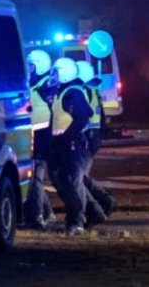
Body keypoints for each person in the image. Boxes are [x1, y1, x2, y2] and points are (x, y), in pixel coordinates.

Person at [50, 57, 92, 236]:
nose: (53, 75)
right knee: (61, 180)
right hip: (62, 145)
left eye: (56, 72)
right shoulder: (63, 91)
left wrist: (68, 135)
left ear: (65, 74)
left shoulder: (72, 93)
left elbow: (84, 115)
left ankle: (77, 222)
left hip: (72, 146)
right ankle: (78, 218)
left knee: (72, 184)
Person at [76, 61, 119, 222]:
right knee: (81, 177)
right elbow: (100, 120)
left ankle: (103, 205)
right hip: (92, 137)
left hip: (87, 137)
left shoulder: (84, 92)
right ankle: (106, 202)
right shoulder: (93, 91)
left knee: (79, 178)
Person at [23, 49, 57, 230]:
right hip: (34, 137)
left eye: (31, 66)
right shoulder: (35, 84)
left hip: (43, 139)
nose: (28, 69)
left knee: (35, 179)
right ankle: (48, 213)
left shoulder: (47, 85)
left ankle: (36, 218)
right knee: (33, 179)